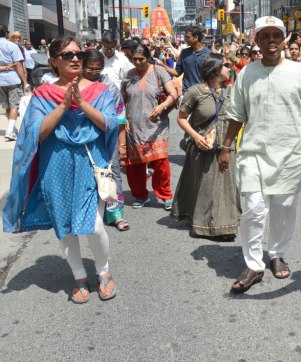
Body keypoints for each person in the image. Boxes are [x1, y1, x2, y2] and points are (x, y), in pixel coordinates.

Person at [2, 36, 118, 303]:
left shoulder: (99, 90)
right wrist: (64, 105)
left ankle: (104, 272)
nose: (75, 59)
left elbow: (110, 124)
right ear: (53, 61)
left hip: (91, 162)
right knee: (64, 226)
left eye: (78, 54)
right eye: (67, 56)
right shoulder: (43, 95)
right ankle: (79, 277)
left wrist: (82, 104)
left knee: (95, 225)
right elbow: (36, 135)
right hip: (56, 164)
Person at [218, 15, 301, 293]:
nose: (270, 41)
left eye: (275, 35)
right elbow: (236, 115)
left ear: (284, 39)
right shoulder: (246, 74)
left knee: (284, 209)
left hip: (289, 153)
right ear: (257, 41)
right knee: (254, 209)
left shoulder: (298, 72)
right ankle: (254, 264)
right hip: (253, 153)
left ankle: (276, 253)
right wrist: (226, 147)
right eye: (264, 36)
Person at [171, 53, 240, 240]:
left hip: (225, 147)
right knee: (207, 187)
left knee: (224, 187)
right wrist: (195, 136)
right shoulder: (195, 92)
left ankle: (224, 226)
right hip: (202, 148)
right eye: (225, 66)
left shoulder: (231, 92)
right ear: (216, 70)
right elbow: (181, 118)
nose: (229, 69)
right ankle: (202, 224)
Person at [121, 44, 179, 210]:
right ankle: (140, 195)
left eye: (142, 59)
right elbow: (122, 99)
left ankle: (165, 194)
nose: (138, 62)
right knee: (134, 165)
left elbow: (173, 94)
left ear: (148, 58)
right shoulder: (128, 76)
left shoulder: (159, 72)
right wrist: (122, 120)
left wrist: (161, 107)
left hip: (156, 126)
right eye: (135, 59)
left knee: (161, 163)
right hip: (133, 126)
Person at [82, 50, 130, 231]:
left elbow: (120, 116)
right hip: (83, 140)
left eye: (98, 69)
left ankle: (116, 214)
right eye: (89, 69)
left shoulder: (108, 85)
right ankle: (90, 214)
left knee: (112, 173)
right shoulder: (76, 84)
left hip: (107, 139)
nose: (94, 73)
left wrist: (122, 144)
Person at [0, 24, 29, 140]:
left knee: (7, 106)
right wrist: (25, 82)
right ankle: (10, 130)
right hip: (13, 79)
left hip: (1, 81)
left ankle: (12, 129)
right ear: (6, 34)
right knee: (14, 106)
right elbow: (18, 65)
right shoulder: (11, 46)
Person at [162, 26, 211, 94]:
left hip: (203, 93)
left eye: (188, 37)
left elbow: (212, 76)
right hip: (187, 93)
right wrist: (163, 65)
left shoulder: (208, 54)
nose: (185, 39)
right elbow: (177, 73)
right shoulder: (184, 53)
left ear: (196, 37)